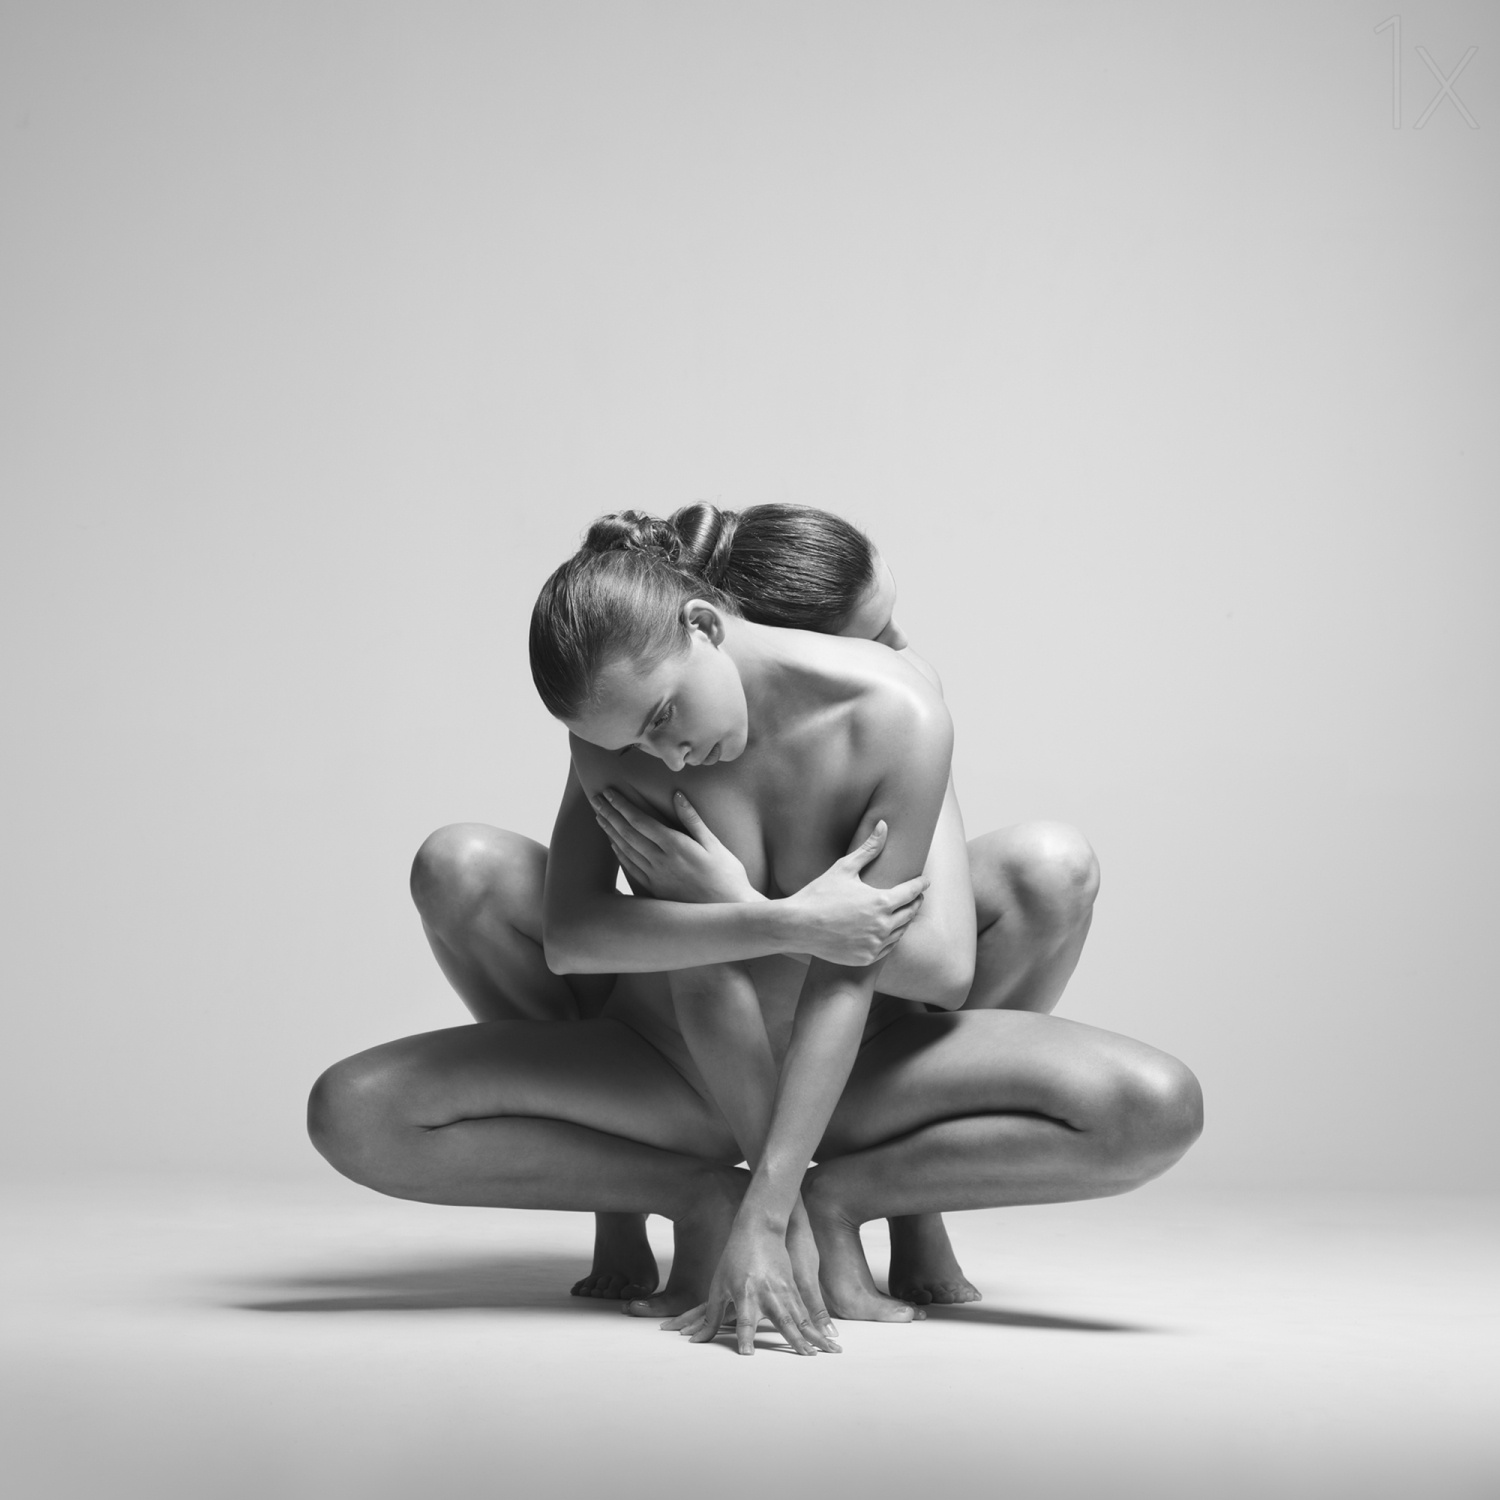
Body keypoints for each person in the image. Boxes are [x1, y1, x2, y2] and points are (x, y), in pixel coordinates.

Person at [307, 518, 1203, 1355]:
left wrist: (781, 1213)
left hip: (857, 1069)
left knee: (1153, 1107)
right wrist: (769, 919)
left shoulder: (897, 711)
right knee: (353, 1111)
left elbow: (871, 968)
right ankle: (690, 1193)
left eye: (663, 719)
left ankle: (854, 1193)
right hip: (670, 1070)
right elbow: (595, 944)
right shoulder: (622, 739)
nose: (664, 756)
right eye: (635, 740)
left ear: (705, 625)